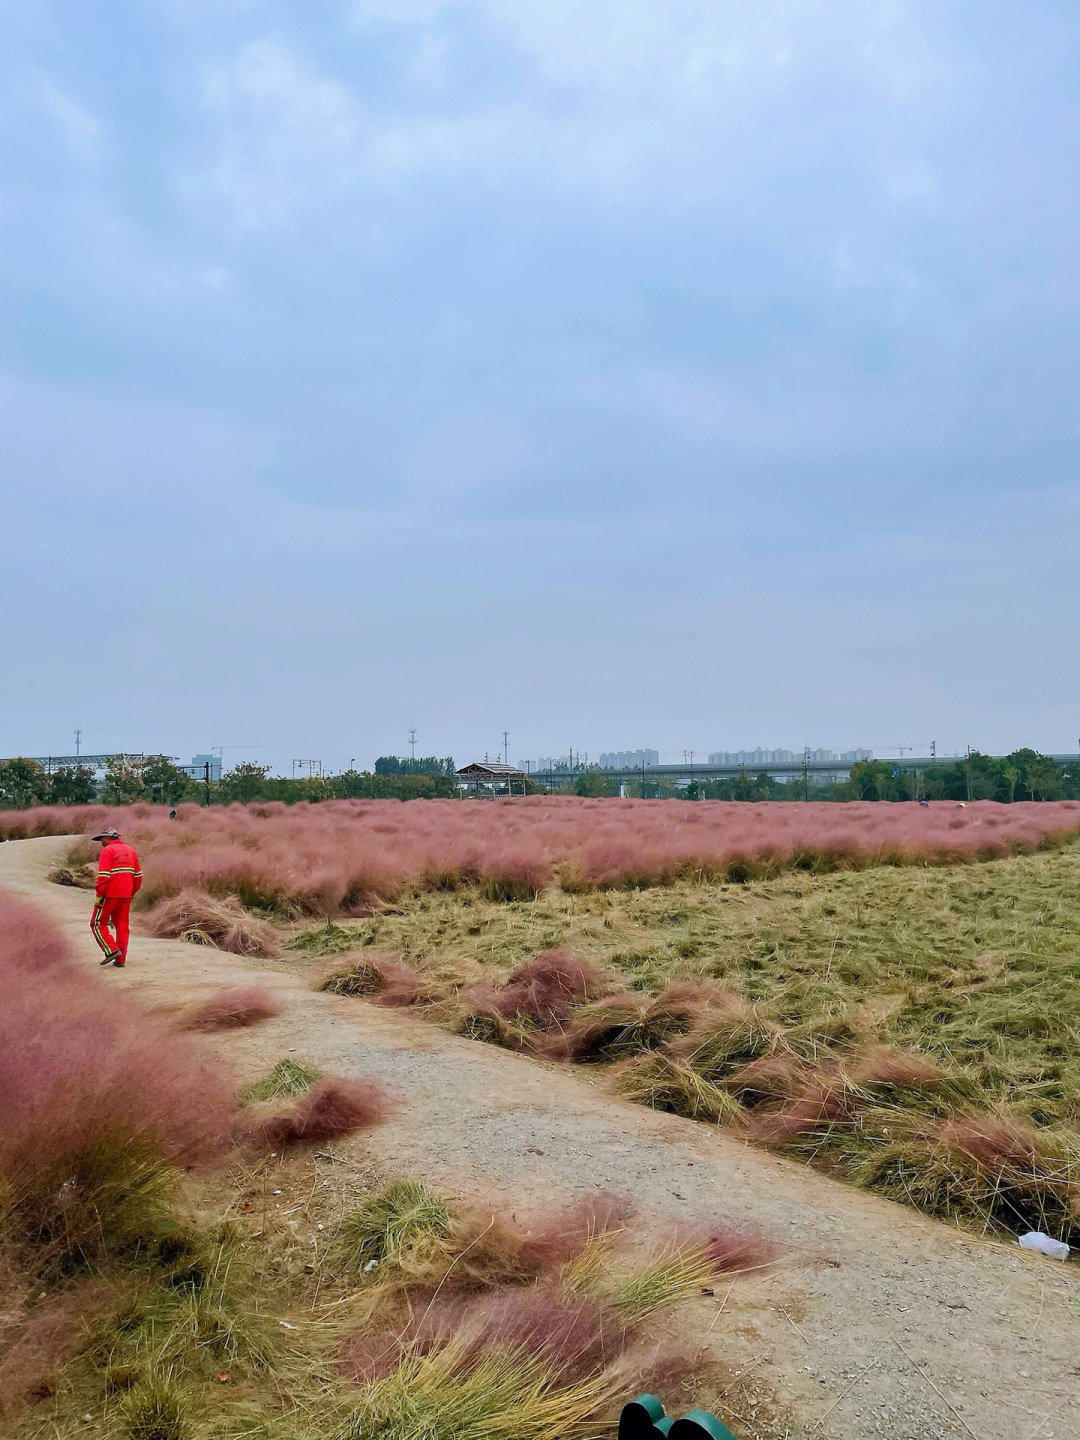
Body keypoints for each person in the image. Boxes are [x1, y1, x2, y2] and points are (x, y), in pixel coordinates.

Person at [90, 826, 142, 967]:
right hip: (126, 895)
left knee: (97, 924)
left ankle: (111, 950)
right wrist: (131, 893)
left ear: (107, 838)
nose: (101, 843)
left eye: (102, 839)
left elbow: (103, 876)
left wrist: (99, 895)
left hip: (109, 895)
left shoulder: (107, 851)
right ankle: (120, 960)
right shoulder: (131, 850)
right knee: (122, 926)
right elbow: (138, 877)